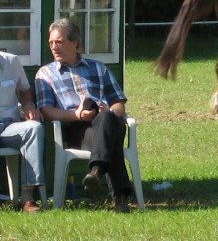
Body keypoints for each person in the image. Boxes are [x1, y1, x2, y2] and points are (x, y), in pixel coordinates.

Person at [34, 18, 132, 213]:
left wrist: (110, 114)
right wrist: (77, 115)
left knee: (106, 118)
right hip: (76, 129)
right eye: (51, 43)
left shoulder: (98, 68)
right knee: (109, 134)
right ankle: (120, 198)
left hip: (105, 121)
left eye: (59, 42)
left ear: (74, 43)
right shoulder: (45, 74)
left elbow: (118, 103)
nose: (54, 47)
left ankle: (96, 172)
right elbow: (46, 111)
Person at [0, 51, 45, 213]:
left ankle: (27, 197)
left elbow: (25, 91)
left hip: (9, 126)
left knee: (34, 128)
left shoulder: (12, 61)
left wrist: (28, 106)